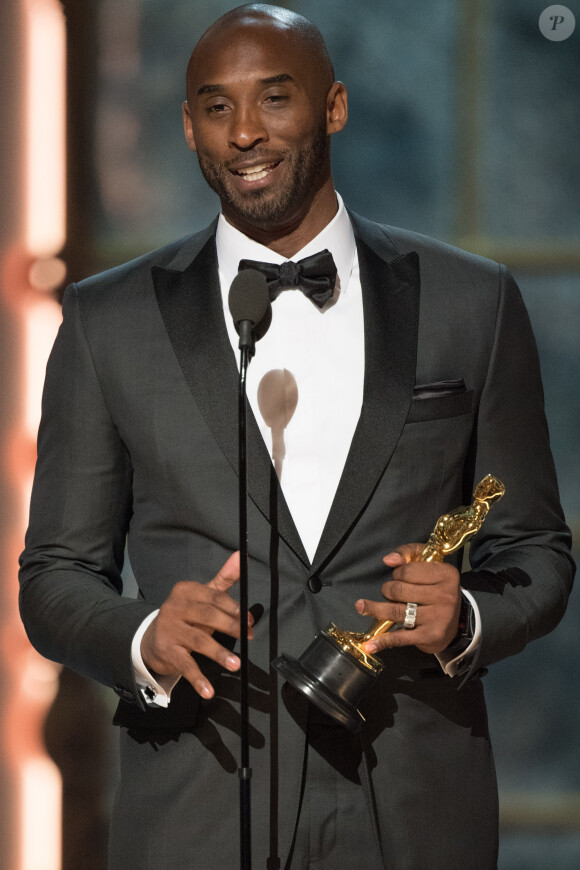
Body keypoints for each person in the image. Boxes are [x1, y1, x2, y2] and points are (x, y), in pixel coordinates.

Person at [19, 5, 574, 869]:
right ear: (189, 126)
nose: (245, 133)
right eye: (216, 107)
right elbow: (54, 575)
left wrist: (462, 614)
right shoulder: (107, 321)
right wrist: (143, 638)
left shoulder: (472, 302)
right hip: (198, 802)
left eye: (274, 100)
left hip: (414, 801)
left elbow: (538, 551)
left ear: (335, 106)